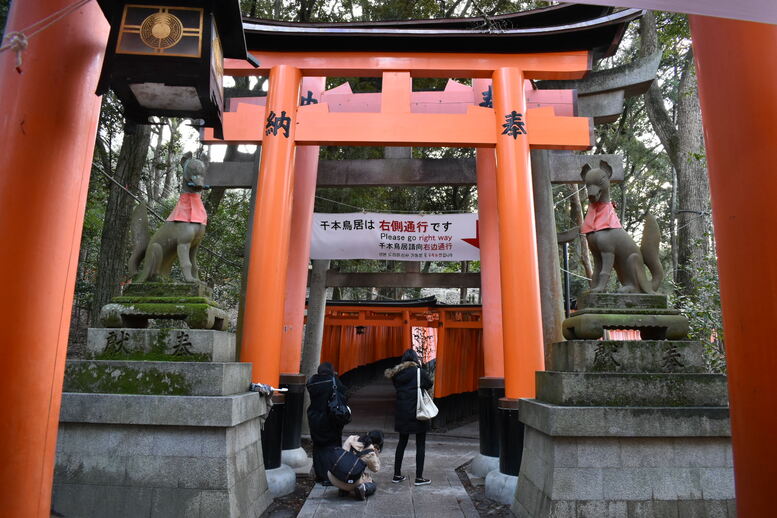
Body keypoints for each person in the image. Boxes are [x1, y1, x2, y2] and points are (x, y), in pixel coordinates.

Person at [385, 348, 433, 486]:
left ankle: (397, 474)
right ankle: (419, 477)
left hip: (402, 412)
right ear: (415, 359)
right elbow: (429, 384)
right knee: (420, 444)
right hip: (418, 412)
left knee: (402, 443)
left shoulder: (397, 374)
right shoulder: (419, 372)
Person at [306, 362, 348, 484]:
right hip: (330, 418)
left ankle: (320, 475)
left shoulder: (312, 381)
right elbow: (342, 394)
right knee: (331, 446)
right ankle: (330, 475)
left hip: (314, 417)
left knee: (318, 446)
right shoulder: (333, 381)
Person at [327, 430, 384, 501]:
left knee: (347, 467)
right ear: (377, 444)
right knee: (372, 483)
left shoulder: (351, 438)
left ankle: (343, 490)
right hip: (351, 482)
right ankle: (363, 488)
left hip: (332, 475)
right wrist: (376, 455)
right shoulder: (370, 453)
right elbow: (376, 469)